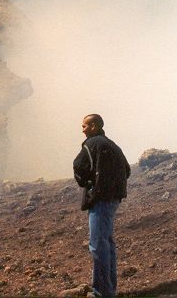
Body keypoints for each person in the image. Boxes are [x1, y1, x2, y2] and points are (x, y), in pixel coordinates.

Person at [73, 114, 131, 298]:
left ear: (94, 126)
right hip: (113, 199)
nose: (82, 129)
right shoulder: (112, 145)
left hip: (101, 200)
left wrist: (92, 186)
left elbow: (78, 167)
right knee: (107, 243)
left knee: (98, 245)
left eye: (84, 125)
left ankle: (102, 293)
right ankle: (109, 289)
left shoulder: (91, 144)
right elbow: (127, 170)